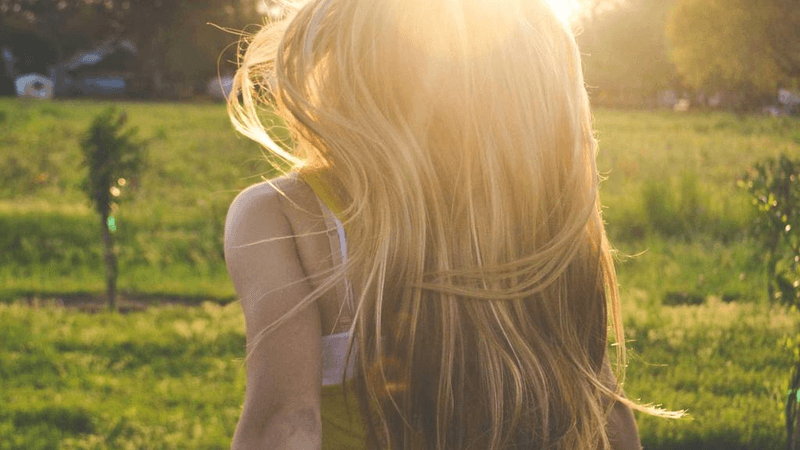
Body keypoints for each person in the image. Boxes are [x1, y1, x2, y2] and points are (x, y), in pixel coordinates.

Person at [223, 0, 682, 448]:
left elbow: (284, 422)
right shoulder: (543, 225)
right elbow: (601, 403)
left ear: (351, 68)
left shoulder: (283, 213)